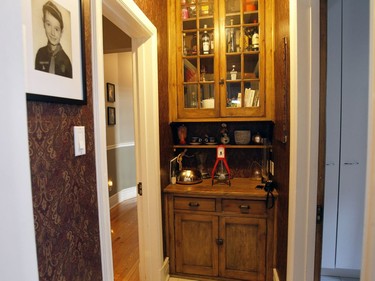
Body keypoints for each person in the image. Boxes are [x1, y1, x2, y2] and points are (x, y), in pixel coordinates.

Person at [35, 1, 72, 78]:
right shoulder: (40, 54)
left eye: (56, 29)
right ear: (43, 23)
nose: (52, 33)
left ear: (61, 32)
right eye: (48, 24)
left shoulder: (66, 61)